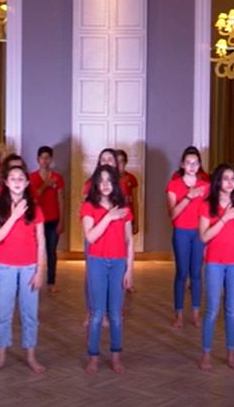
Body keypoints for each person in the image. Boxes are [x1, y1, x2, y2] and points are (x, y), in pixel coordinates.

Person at [0, 165, 47, 374]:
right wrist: (13, 216)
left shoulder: (36, 210)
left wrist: (40, 271)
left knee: (30, 314)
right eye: (13, 178)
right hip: (5, 267)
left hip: (29, 267)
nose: (17, 181)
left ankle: (31, 355)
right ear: (6, 183)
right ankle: (1, 355)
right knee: (3, 314)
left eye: (21, 178)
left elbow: (41, 241)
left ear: (27, 183)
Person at [197, 164, 234, 372]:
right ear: (218, 181)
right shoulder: (206, 206)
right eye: (226, 178)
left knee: (231, 310)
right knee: (212, 310)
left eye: (233, 178)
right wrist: (224, 218)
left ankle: (231, 354)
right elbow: (204, 237)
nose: (230, 182)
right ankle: (206, 353)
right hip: (214, 262)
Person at [81, 165, 134, 375]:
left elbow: (129, 240)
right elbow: (91, 237)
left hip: (119, 262)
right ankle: (93, 357)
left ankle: (116, 356)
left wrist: (130, 269)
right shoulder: (88, 206)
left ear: (115, 184)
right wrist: (109, 217)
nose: (105, 185)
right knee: (96, 314)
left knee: (116, 314)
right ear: (95, 183)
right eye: (101, 180)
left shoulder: (125, 209)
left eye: (109, 180)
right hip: (97, 261)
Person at [166, 146, 210, 329]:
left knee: (196, 274)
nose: (192, 166)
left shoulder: (206, 187)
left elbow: (209, 214)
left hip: (199, 233)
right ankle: (179, 315)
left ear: (199, 165)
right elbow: (173, 214)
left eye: (195, 163)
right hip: (181, 232)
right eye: (188, 163)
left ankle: (196, 314)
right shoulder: (173, 185)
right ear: (182, 164)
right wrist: (189, 197)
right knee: (182, 274)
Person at [30, 146, 65, 294]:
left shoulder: (58, 177)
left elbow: (61, 200)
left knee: (51, 251)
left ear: (51, 159)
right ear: (38, 160)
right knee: (34, 251)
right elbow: (33, 198)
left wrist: (62, 220)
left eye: (47, 157)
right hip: (37, 221)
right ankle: (33, 279)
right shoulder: (31, 178)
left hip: (53, 219)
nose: (45, 161)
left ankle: (51, 282)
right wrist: (45, 185)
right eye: (42, 158)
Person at [115, 149, 140, 235]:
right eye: (116, 162)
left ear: (125, 163)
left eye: (121, 161)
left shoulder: (131, 178)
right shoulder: (109, 179)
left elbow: (135, 202)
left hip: (127, 216)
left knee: (126, 242)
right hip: (113, 216)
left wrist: (136, 222)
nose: (119, 165)